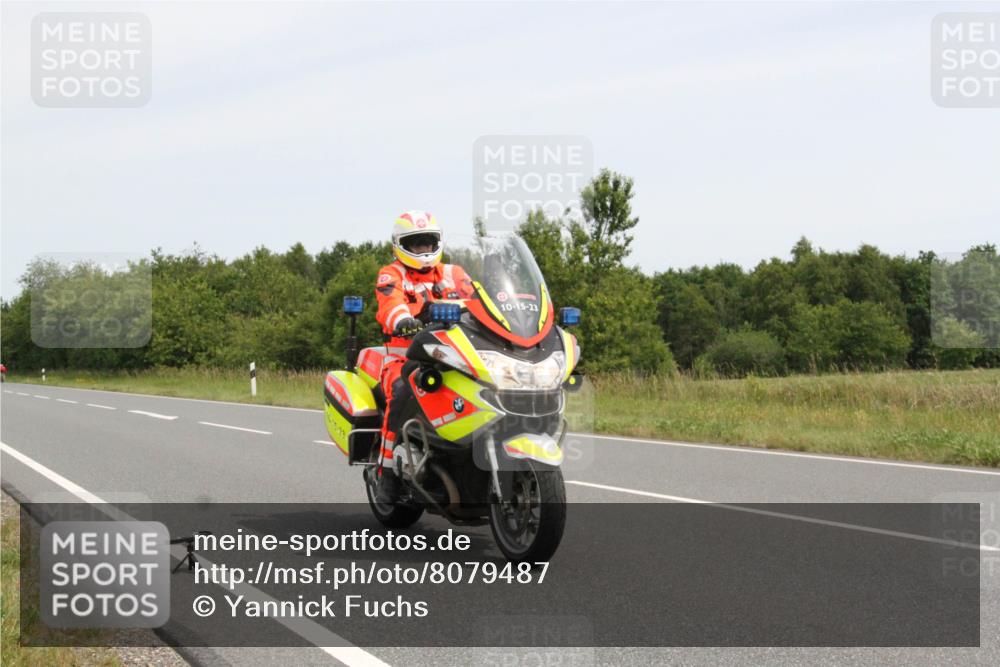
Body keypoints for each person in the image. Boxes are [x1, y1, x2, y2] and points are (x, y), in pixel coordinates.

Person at [372, 211, 474, 503]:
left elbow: (481, 302)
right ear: (400, 245)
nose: (423, 250)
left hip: (455, 355)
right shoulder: (391, 274)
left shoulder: (455, 273)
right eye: (416, 244)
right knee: (402, 390)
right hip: (405, 357)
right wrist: (403, 320)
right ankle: (387, 471)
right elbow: (389, 304)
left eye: (428, 243)